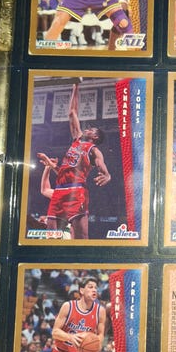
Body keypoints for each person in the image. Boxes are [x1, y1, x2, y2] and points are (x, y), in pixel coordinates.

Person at [44, 80, 111, 239]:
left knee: (81, 238)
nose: (87, 129)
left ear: (95, 137)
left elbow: (102, 167)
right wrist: (76, 86)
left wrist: (107, 175)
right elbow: (72, 112)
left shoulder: (94, 150)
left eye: (91, 129)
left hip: (77, 192)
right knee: (51, 237)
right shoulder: (77, 140)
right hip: (59, 190)